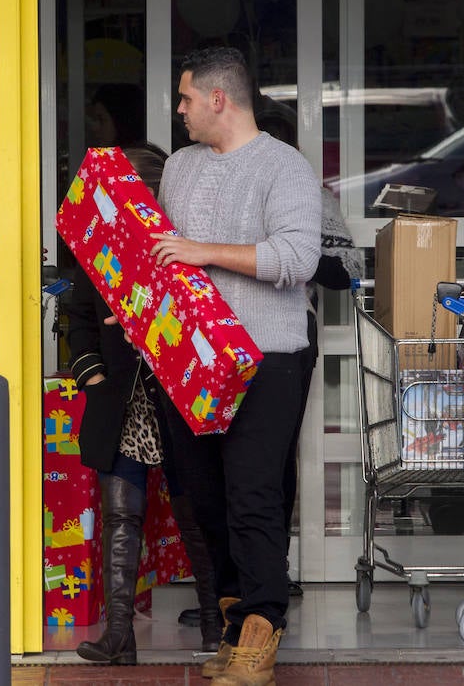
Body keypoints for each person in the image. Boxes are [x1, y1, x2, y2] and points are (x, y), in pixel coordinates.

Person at [149, 47, 320, 686]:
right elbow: (169, 259)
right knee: (201, 499)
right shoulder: (181, 169)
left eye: (187, 98)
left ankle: (261, 631)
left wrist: (204, 252)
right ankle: (230, 622)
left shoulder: (286, 168)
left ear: (219, 99)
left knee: (254, 496)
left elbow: (298, 259)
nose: (180, 110)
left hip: (266, 359)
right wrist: (138, 306)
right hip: (186, 361)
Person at [66, 144, 224, 663]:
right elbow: (76, 318)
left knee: (196, 507)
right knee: (120, 512)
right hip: (122, 394)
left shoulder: (182, 241)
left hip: (178, 390)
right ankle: (118, 635)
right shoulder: (94, 243)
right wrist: (92, 376)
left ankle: (215, 624)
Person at [253, 101, 364, 598]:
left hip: (291, 336)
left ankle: (273, 572)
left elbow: (346, 269)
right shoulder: (216, 186)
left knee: (272, 459)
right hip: (218, 337)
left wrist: (290, 254)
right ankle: (230, 587)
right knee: (224, 464)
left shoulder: (309, 195)